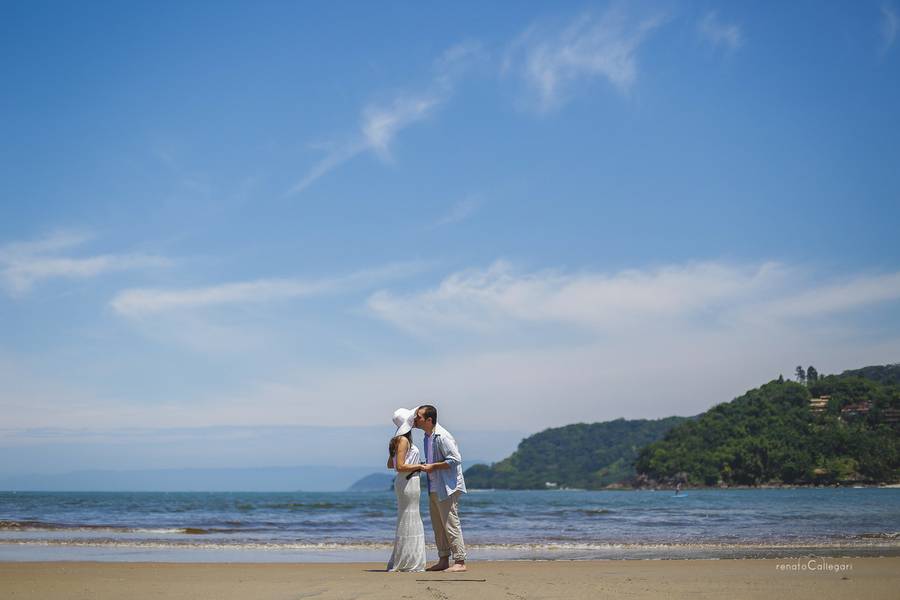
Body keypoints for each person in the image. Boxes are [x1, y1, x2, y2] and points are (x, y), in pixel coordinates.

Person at [413, 404, 467, 573]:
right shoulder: (427, 436)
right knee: (438, 525)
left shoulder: (442, 436)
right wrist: (426, 466)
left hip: (447, 486)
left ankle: (460, 561)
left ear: (429, 420)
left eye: (418, 417)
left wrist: (433, 466)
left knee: (451, 524)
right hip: (434, 486)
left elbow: (455, 460)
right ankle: (443, 559)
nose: (415, 420)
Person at [385, 408, 426, 572]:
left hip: (407, 481)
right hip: (409, 481)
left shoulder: (398, 440)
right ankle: (409, 561)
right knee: (410, 518)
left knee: (408, 518)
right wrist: (421, 465)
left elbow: (391, 464)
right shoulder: (402, 440)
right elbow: (400, 466)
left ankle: (406, 559)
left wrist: (416, 464)